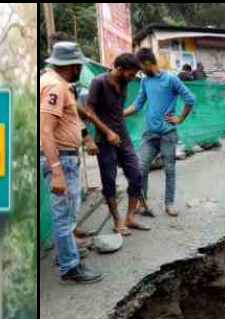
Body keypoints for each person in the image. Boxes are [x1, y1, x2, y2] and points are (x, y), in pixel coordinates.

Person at [40, 42, 103, 285]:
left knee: (67, 214)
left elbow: (70, 118)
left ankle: (67, 257)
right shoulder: (54, 85)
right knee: (64, 216)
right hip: (61, 159)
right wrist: (56, 171)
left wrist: (85, 137)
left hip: (66, 157)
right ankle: (70, 266)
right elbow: (46, 130)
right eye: (79, 65)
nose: (80, 69)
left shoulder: (58, 84)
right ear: (72, 66)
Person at [124, 47, 196, 218]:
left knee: (169, 169)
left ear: (148, 63)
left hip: (167, 134)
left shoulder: (171, 79)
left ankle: (169, 203)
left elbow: (190, 99)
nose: (139, 71)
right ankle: (142, 203)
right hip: (150, 134)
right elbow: (137, 105)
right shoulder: (145, 82)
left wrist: (180, 118)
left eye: (140, 67)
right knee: (141, 168)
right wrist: (119, 114)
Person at [87, 53, 151, 236]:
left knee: (136, 175)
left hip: (123, 136)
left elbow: (117, 111)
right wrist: (107, 132)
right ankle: (117, 220)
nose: (133, 78)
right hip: (104, 139)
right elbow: (89, 112)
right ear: (119, 68)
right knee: (109, 182)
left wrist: (118, 128)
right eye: (131, 74)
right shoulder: (98, 82)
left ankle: (130, 217)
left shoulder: (124, 82)